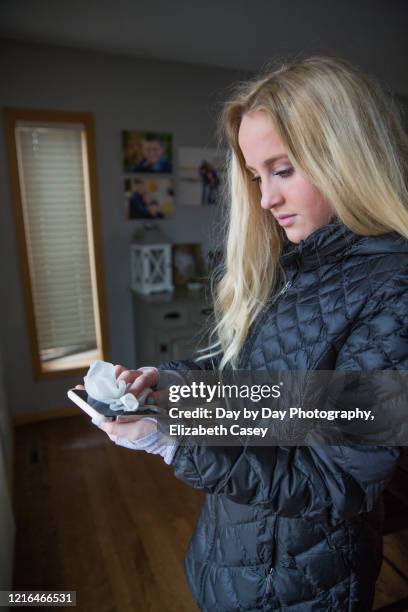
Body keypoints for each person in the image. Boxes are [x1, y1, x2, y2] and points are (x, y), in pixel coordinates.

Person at [82, 56, 408, 610]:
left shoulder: (394, 292)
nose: (264, 199)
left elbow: (334, 483)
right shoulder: (297, 265)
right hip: (231, 550)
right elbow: (258, 392)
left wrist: (173, 439)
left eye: (283, 170)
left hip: (300, 582)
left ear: (350, 157)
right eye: (257, 176)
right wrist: (169, 387)